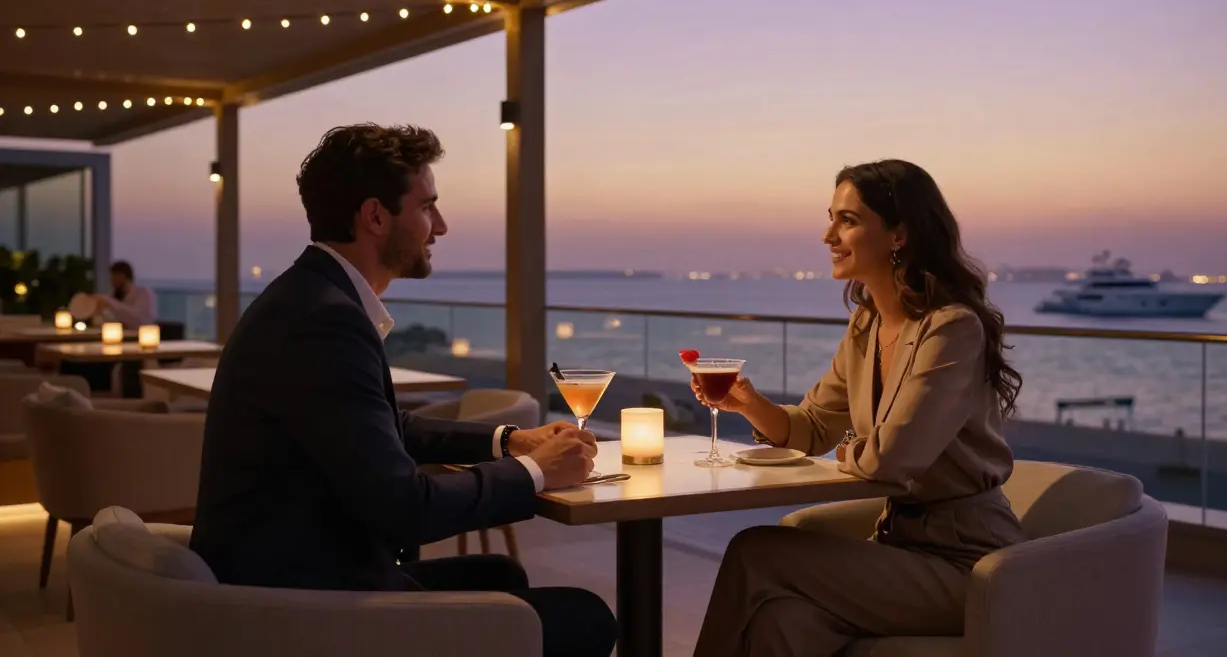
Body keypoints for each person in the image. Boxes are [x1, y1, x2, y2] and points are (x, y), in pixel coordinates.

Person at [189, 123, 617, 657]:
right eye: (427, 207)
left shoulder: (310, 297)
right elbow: (404, 509)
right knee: (587, 616)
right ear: (375, 216)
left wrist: (511, 442)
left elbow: (386, 429)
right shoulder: (324, 322)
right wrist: (536, 473)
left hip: (295, 574)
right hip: (303, 611)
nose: (440, 226)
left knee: (499, 571)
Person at [691, 160, 1027, 656]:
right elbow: (812, 427)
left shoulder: (952, 328)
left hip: (969, 564)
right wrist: (750, 404)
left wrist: (855, 447)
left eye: (847, 220)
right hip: (898, 547)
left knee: (754, 551)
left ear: (898, 234)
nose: (828, 234)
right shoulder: (867, 325)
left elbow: (892, 458)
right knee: (782, 621)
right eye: (831, 218)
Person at [94, 260, 156, 328]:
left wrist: (110, 303)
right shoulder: (111, 297)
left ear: (126, 277)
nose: (112, 280)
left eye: (116, 276)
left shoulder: (143, 294)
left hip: (140, 336)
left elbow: (137, 319)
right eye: (112, 276)